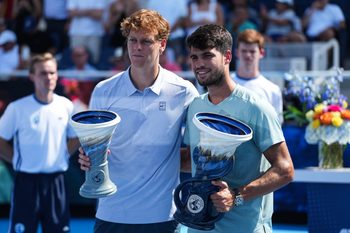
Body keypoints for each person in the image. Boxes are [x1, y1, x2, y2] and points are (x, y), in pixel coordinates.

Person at [77, 9, 199, 233]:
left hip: (163, 216)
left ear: (162, 45)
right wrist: (87, 158)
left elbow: (197, 151)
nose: (137, 47)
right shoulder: (103, 91)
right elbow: (92, 148)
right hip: (111, 213)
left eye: (146, 41)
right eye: (132, 40)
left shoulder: (184, 91)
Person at [183, 24, 294, 233]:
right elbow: (193, 160)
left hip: (246, 228)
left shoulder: (256, 107)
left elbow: (285, 170)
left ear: (227, 56)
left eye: (207, 56)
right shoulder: (195, 107)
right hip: (198, 228)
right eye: (194, 57)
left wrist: (237, 196)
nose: (199, 64)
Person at [0, 52, 80, 233]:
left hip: (56, 181)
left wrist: (63, 154)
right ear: (32, 76)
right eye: (43, 73)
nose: (49, 77)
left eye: (52, 73)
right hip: (26, 182)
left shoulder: (66, 106)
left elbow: (76, 137)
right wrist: (16, 160)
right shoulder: (17, 108)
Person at [233, 29, 284, 124]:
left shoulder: (273, 90)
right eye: (244, 51)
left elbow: (276, 128)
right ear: (237, 53)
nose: (248, 55)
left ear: (261, 53)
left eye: (252, 51)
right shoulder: (222, 85)